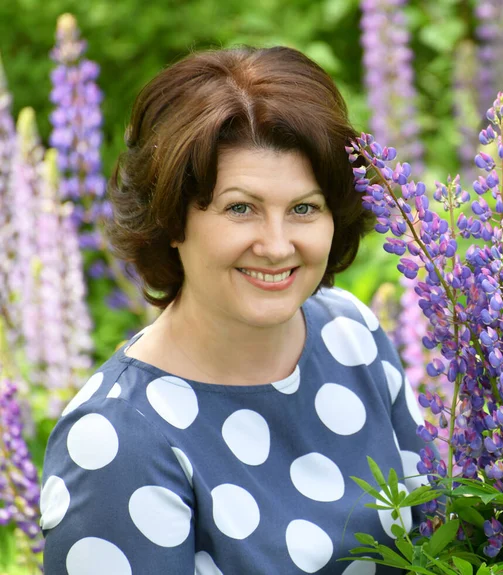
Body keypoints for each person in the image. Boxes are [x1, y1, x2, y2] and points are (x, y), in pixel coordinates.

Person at [39, 46, 430, 574]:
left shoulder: (350, 331)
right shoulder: (117, 439)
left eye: (304, 209)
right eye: (240, 208)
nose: (276, 245)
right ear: (173, 220)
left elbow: (435, 536)